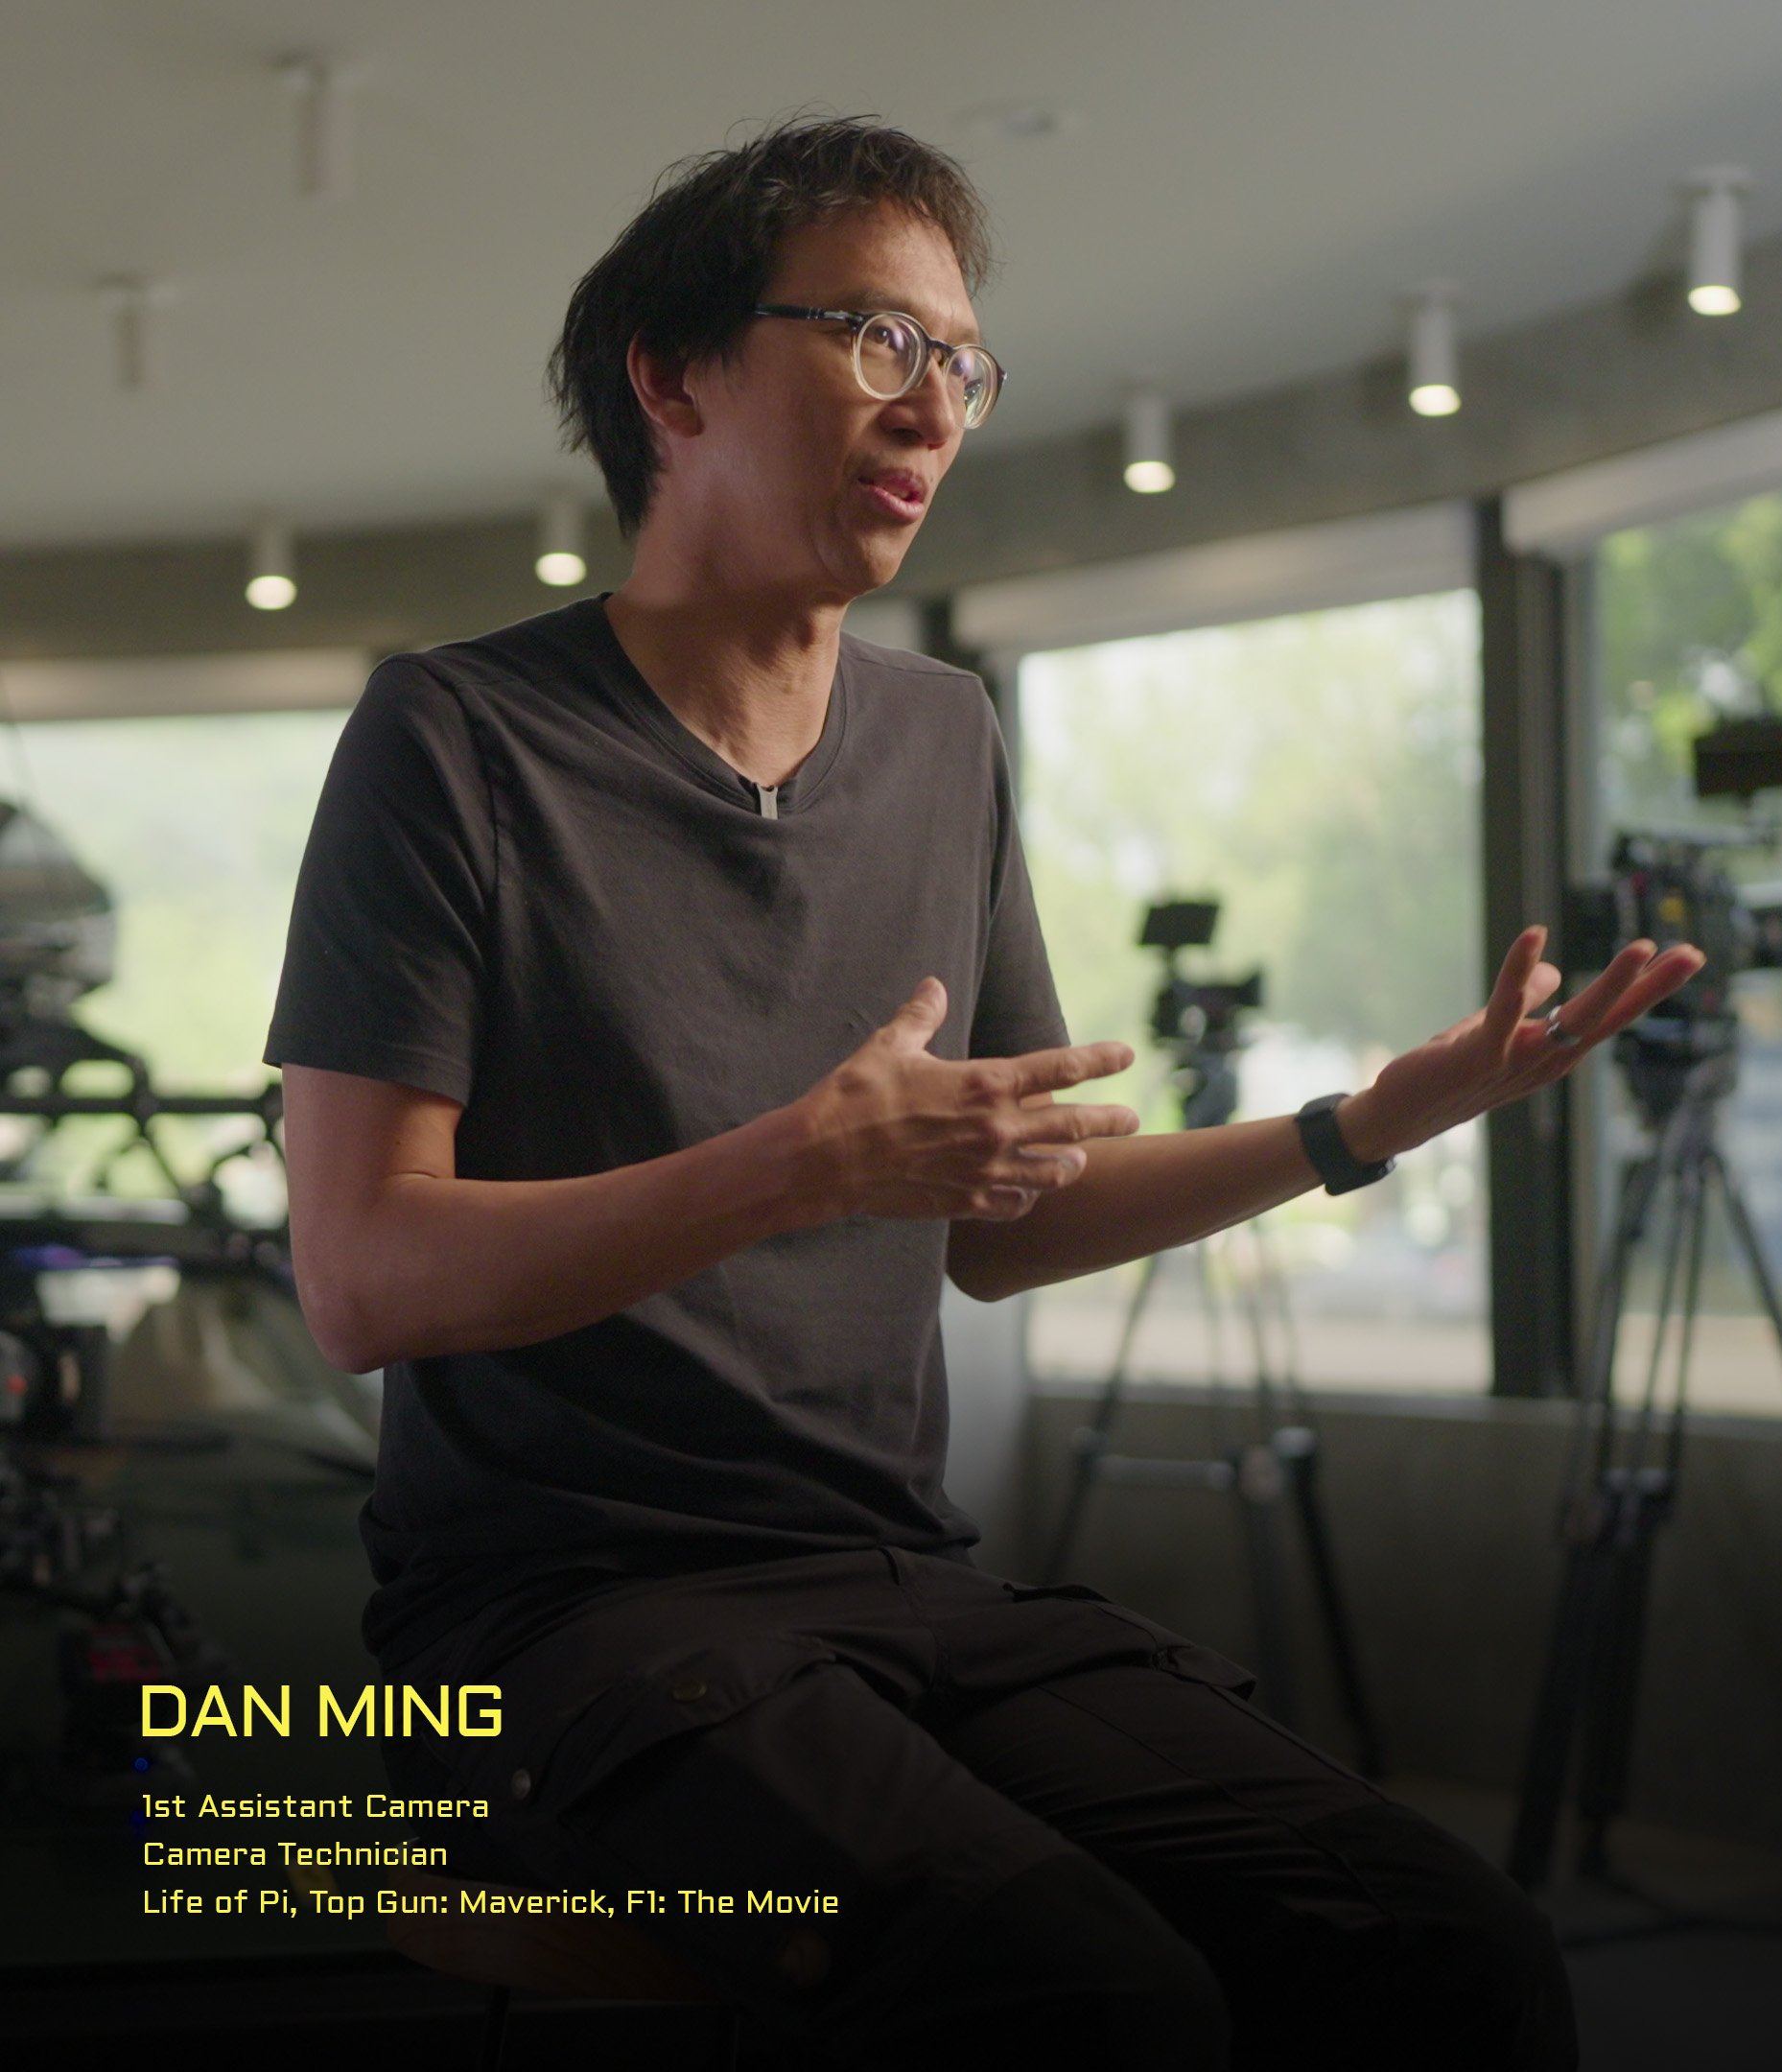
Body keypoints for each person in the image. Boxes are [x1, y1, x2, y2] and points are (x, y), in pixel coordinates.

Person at [269, 117, 1702, 2070]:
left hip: (903, 1581)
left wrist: (1362, 1125)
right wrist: (798, 1168)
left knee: (1448, 1949)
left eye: (960, 358)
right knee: (1086, 1997)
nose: (933, 400)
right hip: (555, 1619)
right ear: (672, 382)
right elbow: (360, 1279)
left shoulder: (946, 734)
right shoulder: (454, 736)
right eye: (875, 335)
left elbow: (1004, 1222)